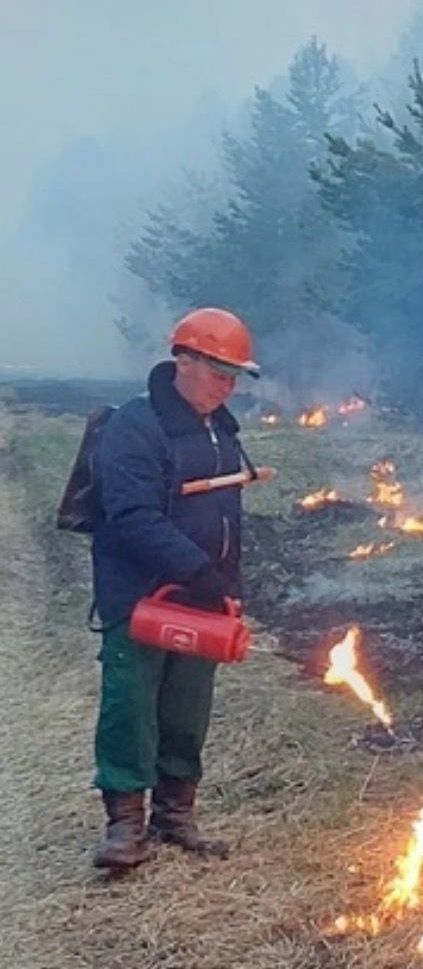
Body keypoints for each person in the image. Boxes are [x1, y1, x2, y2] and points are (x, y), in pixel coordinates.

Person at [86, 307, 260, 869]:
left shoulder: (219, 427)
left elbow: (225, 514)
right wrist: (195, 570)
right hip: (139, 595)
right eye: (217, 372)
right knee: (130, 706)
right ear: (182, 361)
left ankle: (175, 814)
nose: (227, 386)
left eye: (234, 375)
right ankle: (125, 825)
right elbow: (132, 514)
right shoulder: (135, 425)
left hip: (203, 598)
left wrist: (223, 586)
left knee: (188, 708)